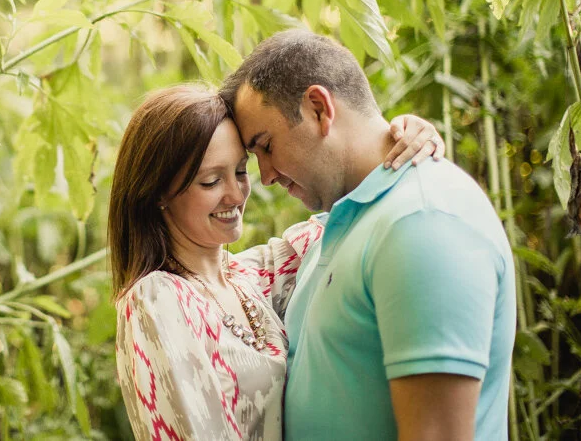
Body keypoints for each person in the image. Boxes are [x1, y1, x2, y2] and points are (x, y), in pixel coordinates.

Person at [220, 29, 516, 441]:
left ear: (319, 108)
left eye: (266, 146)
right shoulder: (346, 221)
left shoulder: (422, 221)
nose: (265, 176)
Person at [110, 83, 443, 441]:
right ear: (158, 192)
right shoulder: (157, 299)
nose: (237, 195)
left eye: (240, 172)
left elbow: (344, 221)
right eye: (210, 181)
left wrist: (400, 141)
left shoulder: (248, 278)